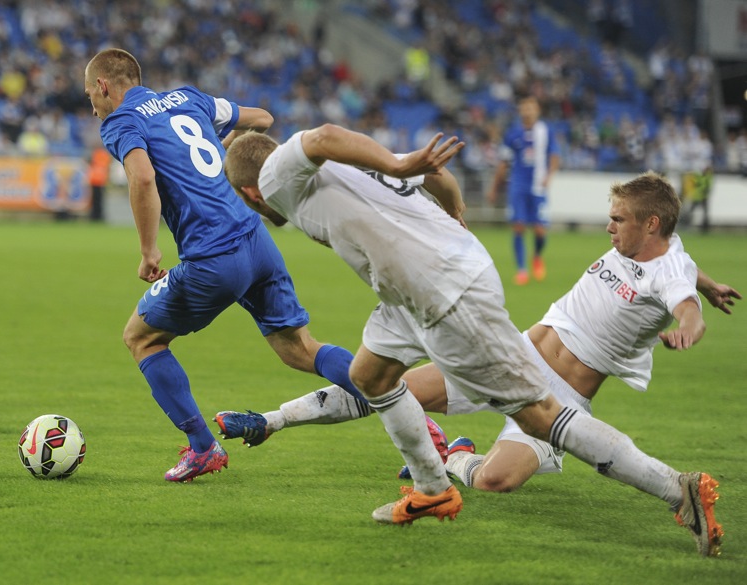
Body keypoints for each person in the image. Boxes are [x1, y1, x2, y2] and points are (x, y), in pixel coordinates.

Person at [223, 129, 723, 552]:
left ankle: (676, 489)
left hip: (442, 287)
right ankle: (423, 485)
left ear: (248, 193)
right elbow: (437, 174)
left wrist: (401, 163)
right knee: (369, 375)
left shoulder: (274, 174)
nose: (610, 225)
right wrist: (451, 204)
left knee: (539, 420)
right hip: (413, 287)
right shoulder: (342, 173)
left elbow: (326, 135)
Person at [83, 48, 371, 483]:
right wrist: (224, 154)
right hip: (257, 242)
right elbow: (263, 120)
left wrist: (148, 251)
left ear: (104, 86)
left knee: (140, 338)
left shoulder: (121, 121)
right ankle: (420, 423)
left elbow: (142, 178)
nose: (92, 105)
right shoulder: (187, 98)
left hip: (213, 258)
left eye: (90, 94)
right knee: (299, 349)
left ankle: (203, 448)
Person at [487, 95, 560, 285]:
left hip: (538, 187)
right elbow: (504, 162)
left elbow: (554, 155)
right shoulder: (512, 134)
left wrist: (549, 175)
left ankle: (536, 255)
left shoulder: (546, 131)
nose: (528, 111)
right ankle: (521, 270)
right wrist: (495, 188)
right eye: (524, 107)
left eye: (531, 107)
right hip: (517, 185)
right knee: (518, 226)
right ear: (520, 111)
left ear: (537, 110)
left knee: (540, 230)